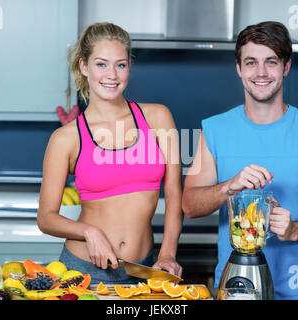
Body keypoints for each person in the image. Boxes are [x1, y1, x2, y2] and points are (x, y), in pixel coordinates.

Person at [182, 21, 298, 300]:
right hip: (236, 290)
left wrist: (295, 230)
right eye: (251, 62)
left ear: (286, 67)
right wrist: (229, 187)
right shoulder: (213, 131)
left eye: (271, 62)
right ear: (238, 68)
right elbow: (190, 206)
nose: (261, 72)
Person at [37, 22, 183, 284]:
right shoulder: (66, 138)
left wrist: (168, 254)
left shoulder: (158, 117)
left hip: (145, 270)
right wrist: (89, 231)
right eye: (101, 64)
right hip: (84, 271)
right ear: (84, 66)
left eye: (121, 64)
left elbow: (174, 194)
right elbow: (46, 218)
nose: (112, 74)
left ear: (129, 67)